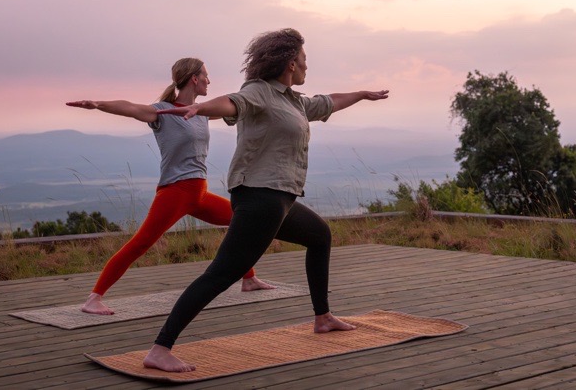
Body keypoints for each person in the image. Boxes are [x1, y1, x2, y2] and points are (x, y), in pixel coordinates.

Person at [143, 29, 389, 372]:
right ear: (291, 63)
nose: (306, 66)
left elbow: (327, 101)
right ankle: (160, 349)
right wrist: (199, 109)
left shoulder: (293, 100)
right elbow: (232, 103)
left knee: (320, 236)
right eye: (304, 60)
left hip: (280, 198)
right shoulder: (258, 92)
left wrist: (362, 94)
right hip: (260, 198)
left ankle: (323, 317)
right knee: (221, 274)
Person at [66, 57, 274, 316]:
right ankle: (94, 298)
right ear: (194, 79)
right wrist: (98, 104)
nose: (209, 80)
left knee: (242, 223)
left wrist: (266, 87)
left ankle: (249, 279)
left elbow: (237, 104)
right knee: (141, 243)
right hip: (175, 192)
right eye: (206, 76)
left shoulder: (202, 112)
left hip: (198, 193)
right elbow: (130, 107)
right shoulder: (162, 112)